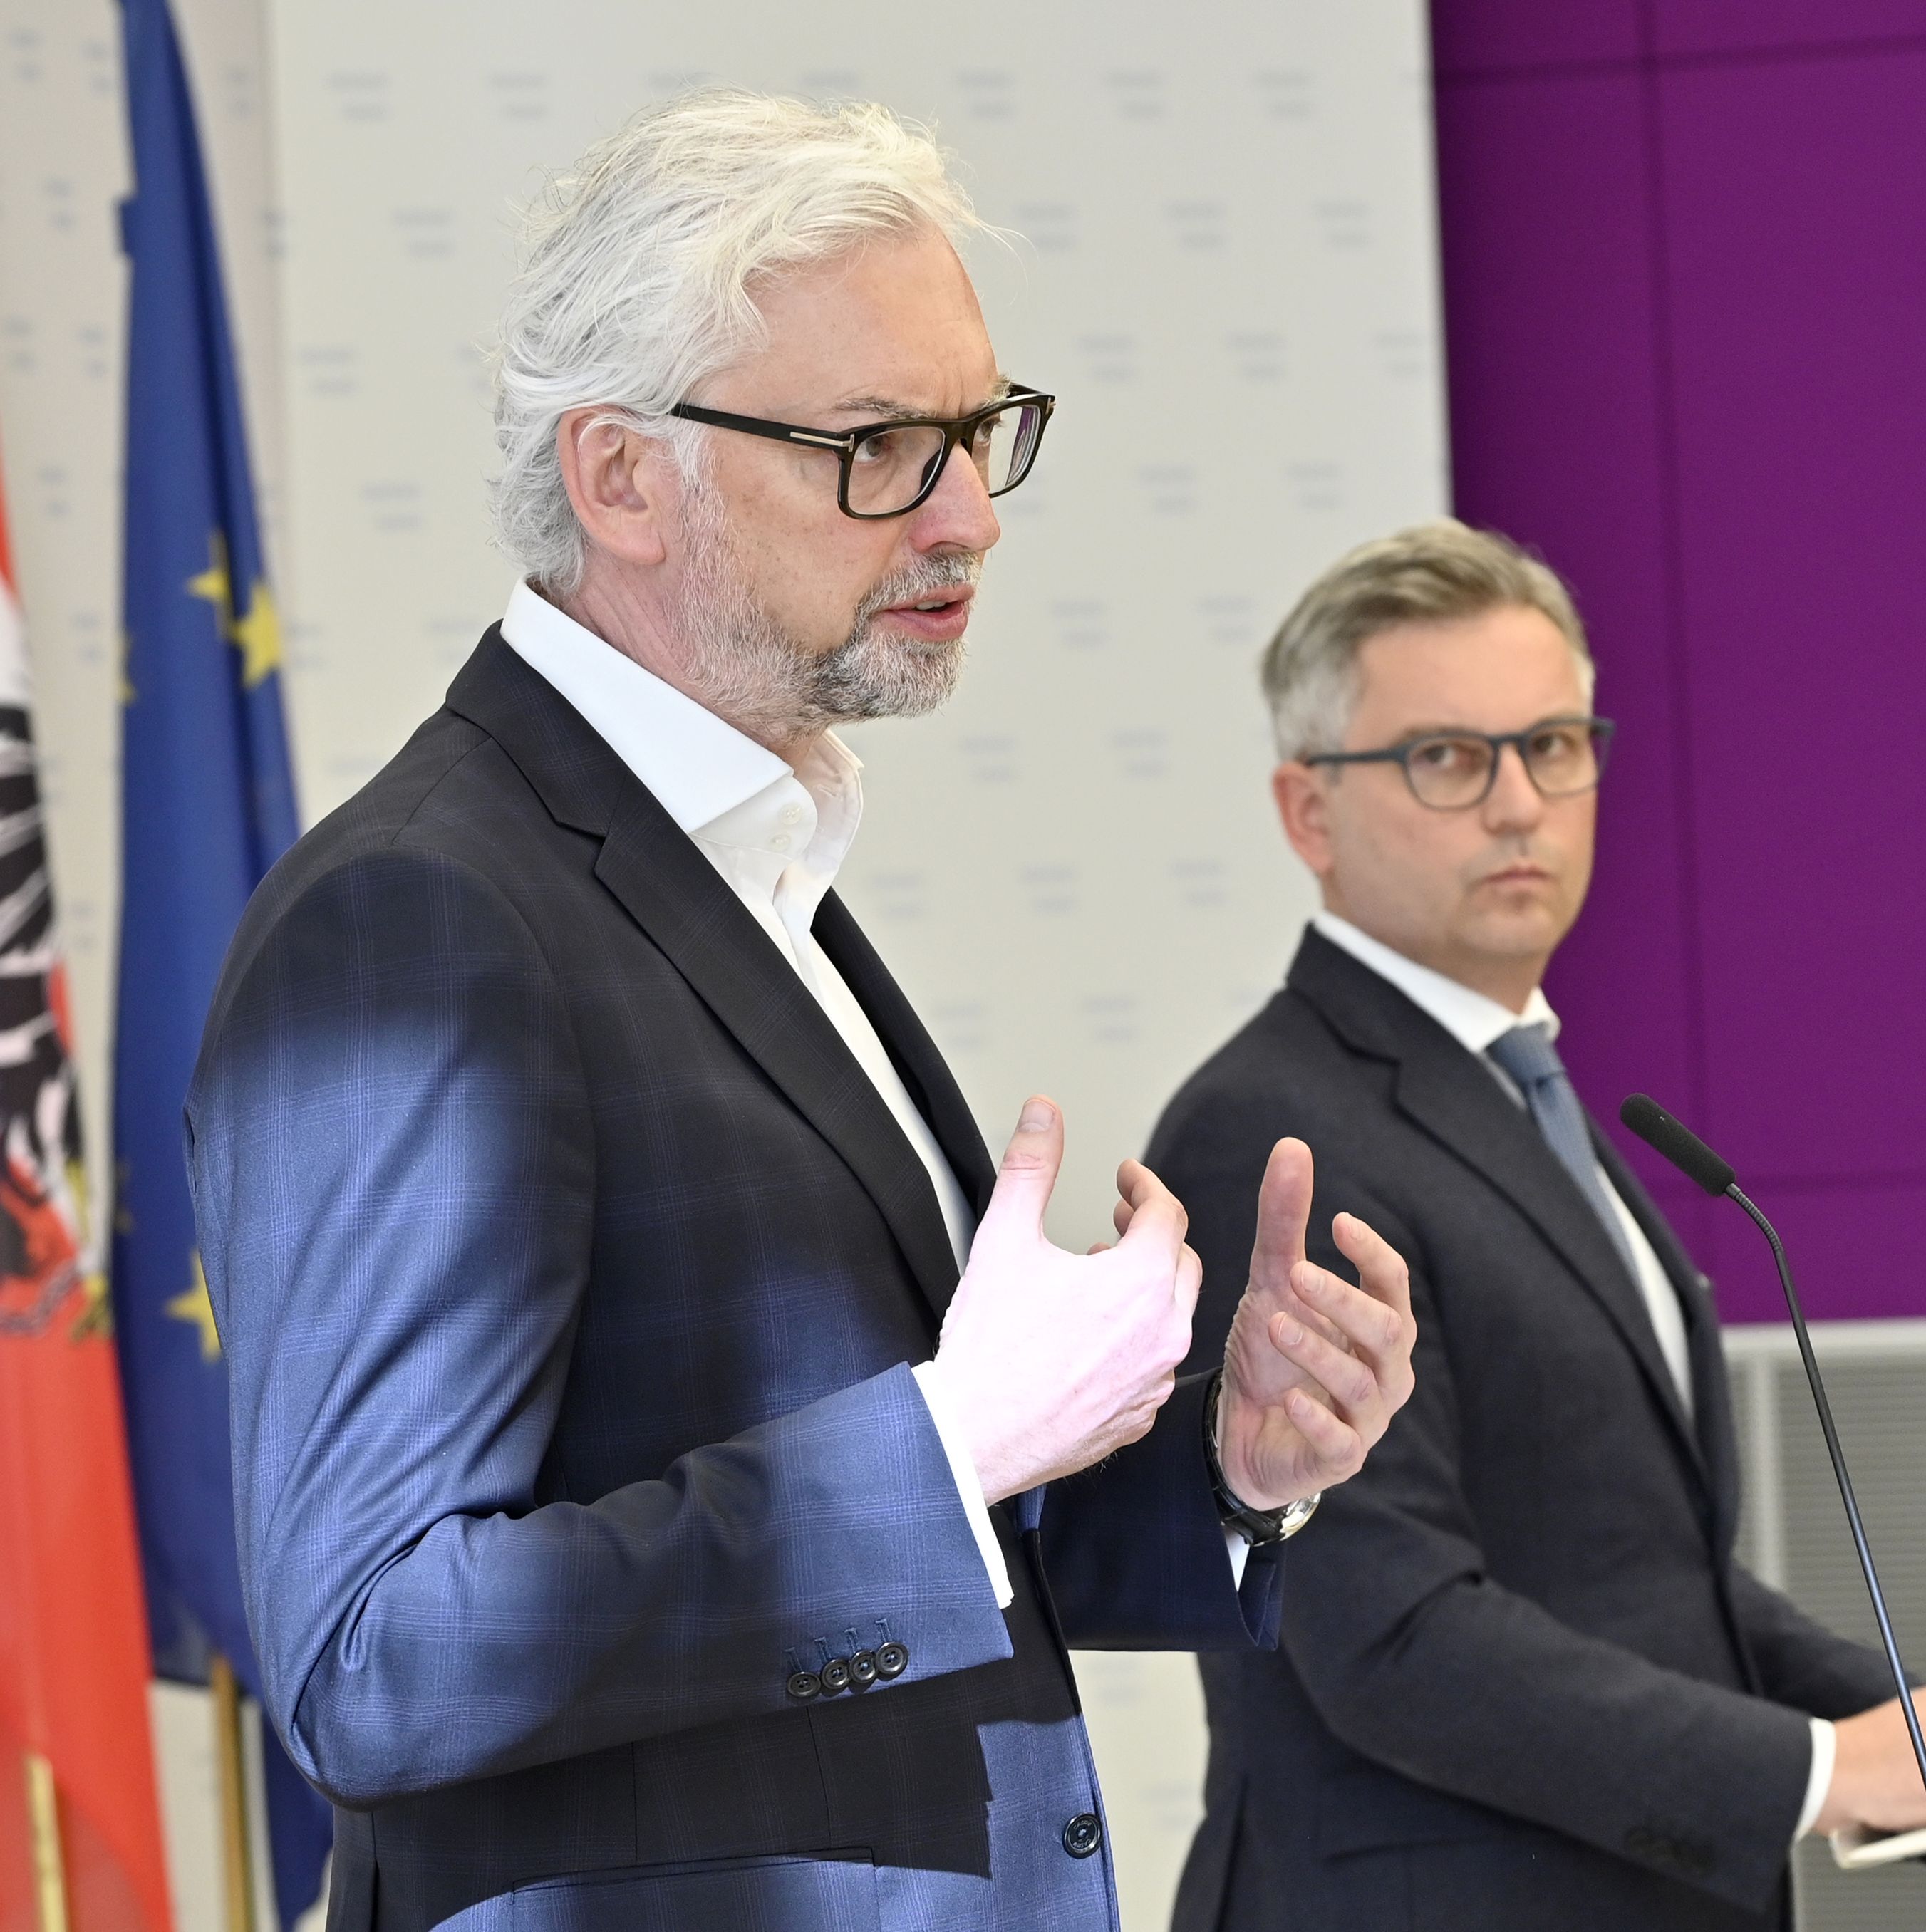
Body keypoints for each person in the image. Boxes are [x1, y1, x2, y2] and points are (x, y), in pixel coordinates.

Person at [185, 93, 1417, 1932]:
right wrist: (943, 1443)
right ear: (620, 477)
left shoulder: (756, 873)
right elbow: (376, 1657)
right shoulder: (423, 916)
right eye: (878, 448)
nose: (970, 515)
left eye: (979, 433)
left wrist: (1234, 1477)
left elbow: (933, 1553)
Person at [1146, 521, 1926, 1931]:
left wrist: (1914, 1724)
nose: (1518, 804)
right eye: (1445, 757)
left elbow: (1629, 1572)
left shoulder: (1520, 1093)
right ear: (1308, 813)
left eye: (1552, 746)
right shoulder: (1277, 1133)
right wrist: (1815, 1768)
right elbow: (1389, 1633)